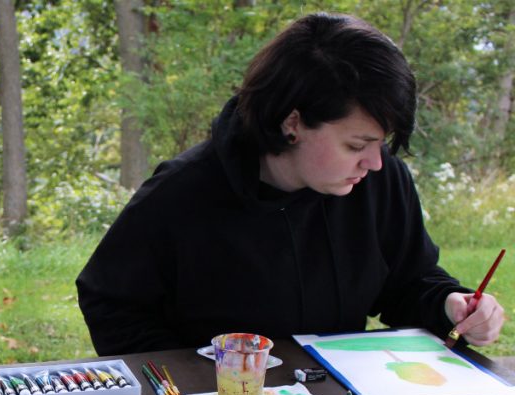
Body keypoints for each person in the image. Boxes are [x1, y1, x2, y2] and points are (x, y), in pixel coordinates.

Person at [77, 13, 505, 355]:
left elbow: (408, 281)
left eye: (382, 144)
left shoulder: (379, 179)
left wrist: (449, 305)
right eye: (357, 143)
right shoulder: (183, 193)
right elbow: (111, 302)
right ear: (292, 123)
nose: (374, 162)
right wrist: (195, 381)